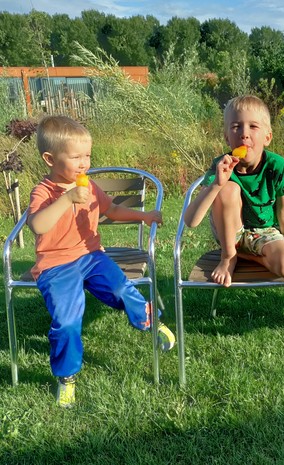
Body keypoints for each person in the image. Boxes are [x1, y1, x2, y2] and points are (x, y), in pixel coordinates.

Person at [27, 115, 175, 407]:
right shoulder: (43, 191)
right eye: (76, 157)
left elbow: (113, 210)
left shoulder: (91, 186)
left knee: (121, 288)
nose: (84, 163)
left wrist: (144, 216)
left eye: (87, 156)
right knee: (67, 320)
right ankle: (67, 377)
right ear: (50, 159)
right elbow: (38, 225)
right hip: (55, 265)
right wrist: (67, 199)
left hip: (91, 256)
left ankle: (151, 320)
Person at [184, 94, 284, 287]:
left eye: (253, 126)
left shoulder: (276, 165)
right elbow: (191, 221)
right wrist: (217, 184)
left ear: (267, 137)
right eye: (236, 126)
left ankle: (245, 256)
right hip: (229, 233)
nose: (244, 134)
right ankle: (229, 257)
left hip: (265, 233)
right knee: (228, 188)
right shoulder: (221, 166)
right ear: (227, 137)